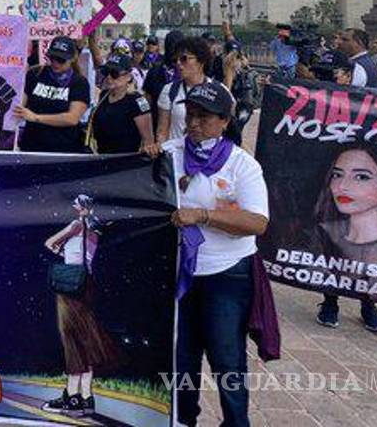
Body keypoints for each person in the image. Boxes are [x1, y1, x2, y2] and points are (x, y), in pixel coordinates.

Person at [165, 82, 270, 427]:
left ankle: (236, 423)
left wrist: (204, 215)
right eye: (190, 115)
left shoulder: (243, 166)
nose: (194, 123)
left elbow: (257, 222)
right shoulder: (171, 153)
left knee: (227, 359)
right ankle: (183, 420)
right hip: (180, 274)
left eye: (204, 117)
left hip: (227, 275)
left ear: (224, 121)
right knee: (182, 356)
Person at [312, 145, 377, 333]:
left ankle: (368, 303)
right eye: (337, 175)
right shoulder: (321, 232)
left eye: (362, 177)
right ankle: (330, 300)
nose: (343, 186)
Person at [40, 195, 123, 417]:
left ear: (83, 208)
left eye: (77, 204)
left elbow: (49, 242)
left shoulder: (77, 225)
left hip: (70, 286)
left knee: (72, 340)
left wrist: (63, 253)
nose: (74, 207)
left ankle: (73, 398)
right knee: (85, 340)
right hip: (87, 285)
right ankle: (85, 397)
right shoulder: (96, 230)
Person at [13, 36, 91, 154]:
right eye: (52, 57)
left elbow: (72, 118)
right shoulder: (35, 74)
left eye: (61, 59)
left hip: (64, 149)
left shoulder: (79, 82)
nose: (55, 63)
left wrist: (36, 117)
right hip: (31, 146)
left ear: (72, 59)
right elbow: (19, 105)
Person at [85, 54, 155, 155]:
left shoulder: (137, 101)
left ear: (128, 76)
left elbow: (148, 140)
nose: (109, 77)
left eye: (114, 74)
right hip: (102, 156)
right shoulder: (104, 95)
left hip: (126, 161)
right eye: (106, 72)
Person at [156, 36, 220, 144]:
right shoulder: (170, 90)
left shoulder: (218, 90)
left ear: (201, 60)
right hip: (178, 156)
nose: (178, 64)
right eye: (175, 60)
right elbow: (162, 131)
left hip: (209, 158)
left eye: (184, 59)